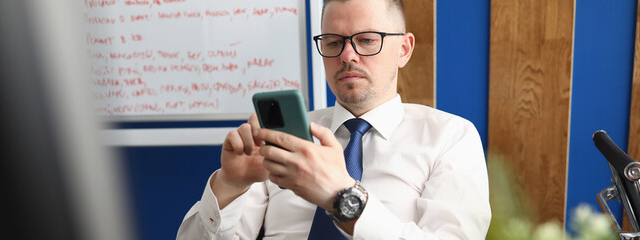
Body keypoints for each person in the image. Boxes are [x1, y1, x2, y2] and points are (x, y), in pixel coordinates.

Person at [176, 0, 491, 239]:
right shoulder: (284, 137)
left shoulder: (451, 137)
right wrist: (231, 185)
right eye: (333, 42)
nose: (347, 55)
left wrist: (341, 196)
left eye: (367, 40)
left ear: (404, 49)